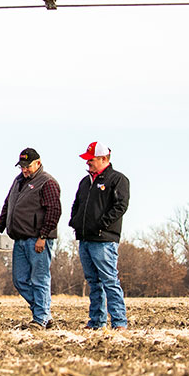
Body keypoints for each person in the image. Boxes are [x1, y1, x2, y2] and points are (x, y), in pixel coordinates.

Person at [0, 148, 61, 329]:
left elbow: (54, 211)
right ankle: (44, 313)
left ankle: (40, 318)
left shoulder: (47, 182)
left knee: (39, 279)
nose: (24, 170)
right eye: (22, 166)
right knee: (20, 280)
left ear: (38, 163)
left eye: (28, 166)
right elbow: (8, 204)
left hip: (37, 240)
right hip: (20, 239)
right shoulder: (18, 181)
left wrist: (43, 236)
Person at [69, 141, 130, 330]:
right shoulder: (85, 182)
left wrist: (101, 224)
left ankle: (119, 322)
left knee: (109, 281)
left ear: (104, 159)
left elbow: (120, 206)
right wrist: (75, 222)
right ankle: (96, 321)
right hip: (85, 239)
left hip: (104, 240)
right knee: (93, 283)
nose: (88, 163)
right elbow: (77, 204)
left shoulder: (117, 180)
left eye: (91, 160)